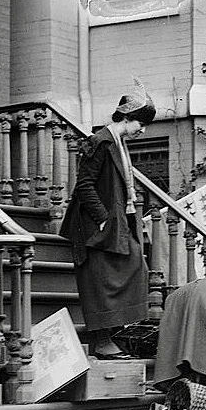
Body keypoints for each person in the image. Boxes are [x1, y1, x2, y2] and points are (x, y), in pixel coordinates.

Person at [60, 79, 155, 359]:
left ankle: (114, 334)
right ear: (127, 117)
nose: (143, 129)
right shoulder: (100, 141)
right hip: (94, 228)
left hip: (116, 224)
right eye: (140, 123)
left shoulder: (118, 142)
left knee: (135, 264)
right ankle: (101, 342)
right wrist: (102, 219)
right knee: (100, 282)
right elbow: (84, 186)